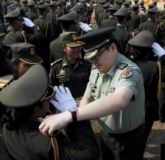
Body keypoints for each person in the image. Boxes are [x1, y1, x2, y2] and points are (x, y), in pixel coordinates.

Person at [39, 27, 146, 160]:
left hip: (128, 138)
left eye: (96, 56)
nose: (93, 61)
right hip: (105, 134)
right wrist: (73, 111)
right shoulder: (97, 69)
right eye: (90, 58)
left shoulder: (128, 71)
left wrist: (70, 115)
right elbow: (88, 97)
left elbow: (120, 99)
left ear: (113, 48)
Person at [0, 65, 100, 160]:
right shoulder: (48, 141)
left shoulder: (8, 126)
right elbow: (89, 153)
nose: (50, 102)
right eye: (47, 100)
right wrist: (73, 115)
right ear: (36, 110)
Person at [127, 30, 165, 157]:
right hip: (146, 110)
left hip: (127, 109)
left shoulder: (126, 63)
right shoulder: (154, 67)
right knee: (141, 140)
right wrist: (164, 55)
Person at [49, 32, 91, 99]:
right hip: (64, 105)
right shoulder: (56, 68)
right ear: (64, 48)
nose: (77, 50)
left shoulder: (87, 66)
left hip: (83, 104)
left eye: (79, 46)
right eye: (73, 47)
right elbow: (51, 89)